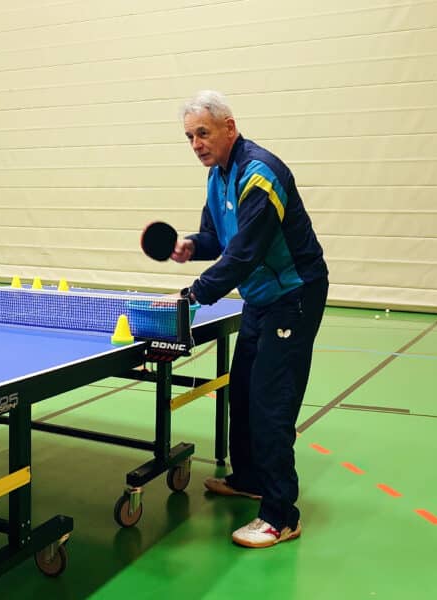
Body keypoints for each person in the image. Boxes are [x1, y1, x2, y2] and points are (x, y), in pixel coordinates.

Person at [172, 90, 328, 548]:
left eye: (203, 133)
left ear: (229, 127)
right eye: (189, 137)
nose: (197, 143)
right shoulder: (218, 177)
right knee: (241, 391)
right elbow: (215, 238)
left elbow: (246, 250)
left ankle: (281, 515)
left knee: (269, 404)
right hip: (261, 299)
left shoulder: (259, 174)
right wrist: (190, 246)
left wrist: (195, 294)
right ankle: (251, 479)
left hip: (294, 296)